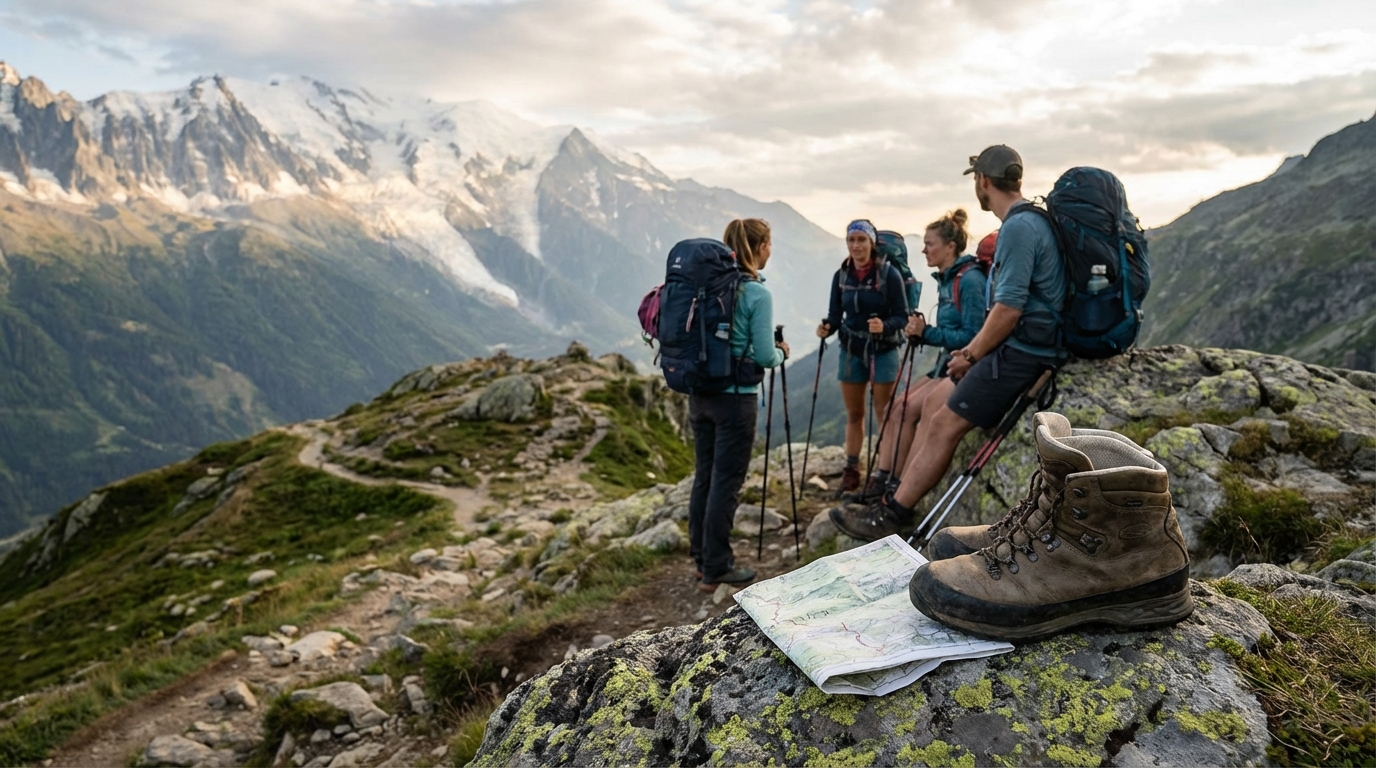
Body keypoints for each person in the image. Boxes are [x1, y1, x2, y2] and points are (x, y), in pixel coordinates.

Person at [831, 145, 1066, 541]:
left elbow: (1007, 309)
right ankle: (888, 499)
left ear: (983, 181)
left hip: (1026, 349)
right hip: (1031, 343)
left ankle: (892, 513)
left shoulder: (1018, 228)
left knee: (942, 422)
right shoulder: (1030, 222)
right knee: (926, 414)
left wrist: (970, 354)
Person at [849, 210, 988, 503]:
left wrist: (927, 333)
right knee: (896, 408)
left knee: (913, 408)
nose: (924, 249)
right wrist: (923, 331)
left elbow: (975, 337)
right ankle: (883, 480)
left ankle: (897, 488)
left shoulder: (969, 280)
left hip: (964, 366)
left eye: (930, 244)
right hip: (945, 365)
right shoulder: (947, 279)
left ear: (950, 247)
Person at [688, 218, 789, 592]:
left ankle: (701, 558)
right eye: (769, 244)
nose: (770, 250)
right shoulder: (756, 294)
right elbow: (763, 355)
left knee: (704, 477)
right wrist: (780, 354)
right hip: (735, 402)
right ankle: (717, 564)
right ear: (760, 247)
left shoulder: (707, 286)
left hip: (700, 395)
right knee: (725, 483)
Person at [816, 219, 910, 493]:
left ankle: (884, 471)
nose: (856, 245)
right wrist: (827, 327)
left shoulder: (888, 274)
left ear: (871, 243)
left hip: (883, 350)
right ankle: (852, 468)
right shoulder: (841, 275)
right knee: (854, 413)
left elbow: (902, 316)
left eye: (861, 240)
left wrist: (885, 325)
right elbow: (836, 315)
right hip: (851, 349)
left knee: (884, 414)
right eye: (851, 240)